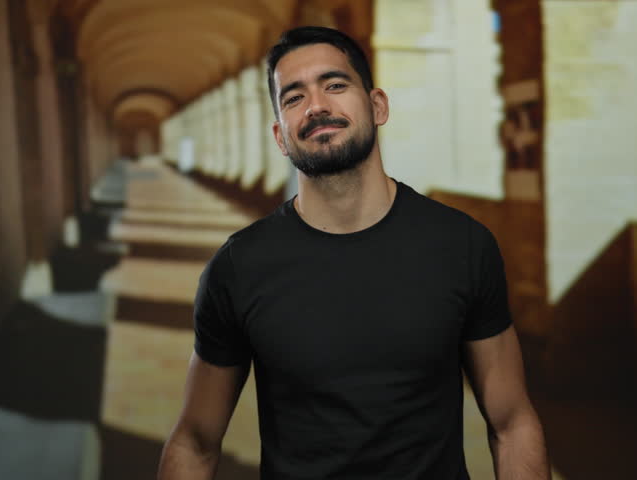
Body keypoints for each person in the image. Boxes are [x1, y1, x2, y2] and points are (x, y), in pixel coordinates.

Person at [158, 26, 550, 480]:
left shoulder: (462, 246)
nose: (317, 106)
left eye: (335, 85)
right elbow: (195, 441)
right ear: (280, 136)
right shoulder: (237, 268)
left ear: (378, 105)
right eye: (293, 98)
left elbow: (512, 422)